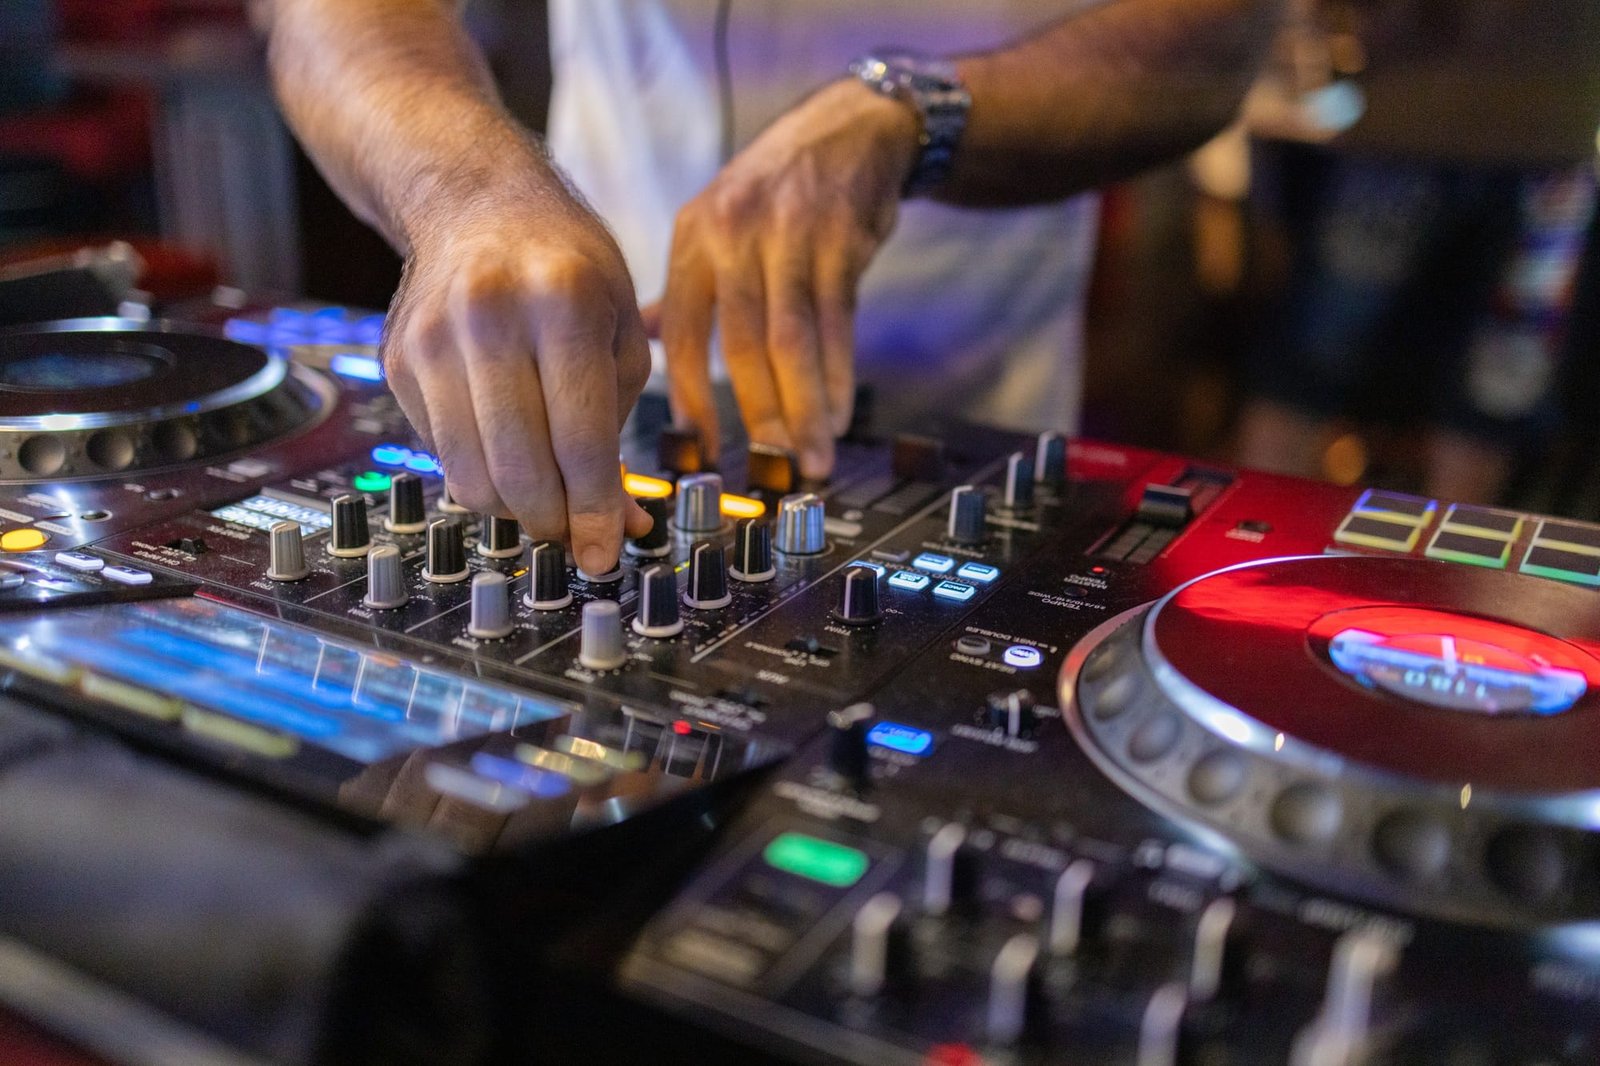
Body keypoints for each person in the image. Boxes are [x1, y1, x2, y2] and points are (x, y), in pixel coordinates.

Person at [258, 0, 1279, 577]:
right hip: (588, 386)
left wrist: (919, 112)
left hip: (963, 425)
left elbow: (1216, 42)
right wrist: (466, 190)